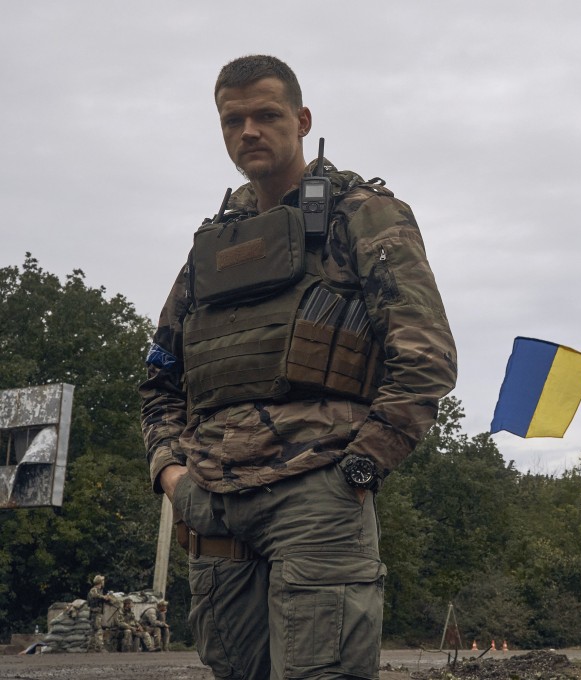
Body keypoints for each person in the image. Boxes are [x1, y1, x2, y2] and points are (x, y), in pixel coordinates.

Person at [139, 55, 457, 680]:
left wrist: (359, 468)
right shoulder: (215, 241)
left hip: (317, 494)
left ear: (303, 119)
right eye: (234, 120)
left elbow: (425, 358)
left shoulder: (361, 214)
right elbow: (160, 378)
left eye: (266, 115)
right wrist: (174, 477)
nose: (249, 130)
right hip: (216, 505)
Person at [85, 575, 113, 652]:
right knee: (98, 630)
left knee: (93, 630)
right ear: (100, 582)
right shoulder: (94, 590)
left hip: (97, 612)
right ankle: (100, 647)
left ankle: (90, 648)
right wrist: (104, 597)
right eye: (102, 581)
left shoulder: (99, 590)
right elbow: (95, 596)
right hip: (95, 612)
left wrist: (108, 598)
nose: (104, 582)